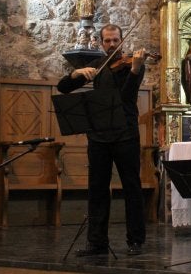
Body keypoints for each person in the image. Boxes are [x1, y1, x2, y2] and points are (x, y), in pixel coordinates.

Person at [57, 23, 146, 257]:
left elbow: (126, 97)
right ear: (101, 42)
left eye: (116, 40)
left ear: (122, 40)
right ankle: (97, 243)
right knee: (97, 189)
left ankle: (135, 240)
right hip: (98, 136)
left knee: (132, 187)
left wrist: (136, 69)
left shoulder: (133, 65)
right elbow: (63, 88)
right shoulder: (97, 66)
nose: (112, 45)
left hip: (126, 134)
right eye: (107, 41)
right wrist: (76, 73)